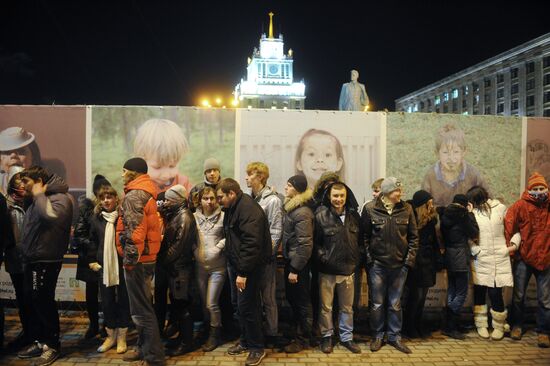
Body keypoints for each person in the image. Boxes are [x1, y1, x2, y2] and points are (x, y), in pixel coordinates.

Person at [16, 166, 73, 366]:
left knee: (43, 301)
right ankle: (41, 342)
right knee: (33, 300)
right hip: (33, 259)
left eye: (26, 182)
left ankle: (53, 345)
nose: (22, 185)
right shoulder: (36, 199)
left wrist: (39, 194)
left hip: (46, 260)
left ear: (39, 181)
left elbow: (50, 217)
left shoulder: (61, 199)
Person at [115, 157, 164, 365]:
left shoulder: (135, 196)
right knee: (144, 307)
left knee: (141, 311)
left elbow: (135, 233)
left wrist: (129, 261)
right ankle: (144, 349)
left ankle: (154, 358)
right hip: (145, 259)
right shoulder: (145, 192)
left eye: (124, 170)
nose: (122, 174)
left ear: (132, 173)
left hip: (138, 261)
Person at [217, 178, 271, 366]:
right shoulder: (234, 207)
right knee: (239, 306)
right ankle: (246, 341)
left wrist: (243, 273)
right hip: (237, 265)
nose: (218, 201)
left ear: (231, 193)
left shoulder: (247, 209)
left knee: (248, 307)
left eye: (220, 197)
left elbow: (251, 244)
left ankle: (257, 348)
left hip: (247, 269)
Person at [362, 177, 418, 354]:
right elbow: (364, 238)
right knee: (377, 304)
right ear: (386, 192)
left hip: (400, 266)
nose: (399, 194)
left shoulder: (407, 208)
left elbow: (414, 238)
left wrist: (408, 262)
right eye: (396, 191)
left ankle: (395, 337)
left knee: (395, 304)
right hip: (377, 265)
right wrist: (370, 261)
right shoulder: (370, 209)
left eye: (400, 190)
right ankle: (377, 336)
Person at [315, 182, 362, 354]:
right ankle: (327, 336)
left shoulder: (354, 216)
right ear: (329, 196)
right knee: (326, 307)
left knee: (347, 307)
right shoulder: (320, 215)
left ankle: (346, 337)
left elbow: (360, 241)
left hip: (348, 270)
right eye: (335, 196)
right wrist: (323, 258)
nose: (339, 199)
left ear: (346, 196)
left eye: (342, 196)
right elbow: (315, 242)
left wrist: (356, 258)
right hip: (327, 271)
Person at [504, 172, 550, 348]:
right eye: (535, 189)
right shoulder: (520, 206)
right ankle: (516, 325)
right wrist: (511, 251)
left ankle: (544, 332)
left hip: (545, 257)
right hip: (524, 257)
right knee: (519, 296)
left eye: (542, 188)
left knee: (545, 299)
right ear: (529, 190)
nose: (539, 191)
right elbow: (509, 226)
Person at [156, 185, 198, 357]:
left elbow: (178, 247)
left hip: (180, 270)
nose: (165, 202)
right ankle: (182, 337)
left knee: (182, 306)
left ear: (177, 200)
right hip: (176, 269)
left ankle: (187, 342)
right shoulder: (177, 214)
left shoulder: (185, 218)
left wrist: (163, 260)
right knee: (178, 305)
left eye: (168, 200)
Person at [466, 185, 513, 341]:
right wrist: (475, 249)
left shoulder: (500, 209)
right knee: (479, 291)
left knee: (495, 292)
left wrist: (510, 247)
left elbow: (512, 229)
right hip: (481, 257)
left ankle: (499, 325)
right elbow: (465, 234)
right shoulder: (472, 212)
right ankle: (481, 324)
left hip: (499, 257)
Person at [89, 184, 131, 354]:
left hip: (121, 264)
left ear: (116, 198)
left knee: (123, 300)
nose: (106, 201)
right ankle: (110, 336)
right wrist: (92, 260)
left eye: (109, 197)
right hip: (103, 265)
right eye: (103, 198)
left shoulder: (123, 216)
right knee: (106, 302)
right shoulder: (96, 219)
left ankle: (122, 337)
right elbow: (92, 241)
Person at [245, 162, 283, 346]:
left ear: (260, 177)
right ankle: (256, 333)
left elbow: (276, 230)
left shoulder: (272, 201)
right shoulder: (249, 199)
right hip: (251, 258)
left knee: (268, 298)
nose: (246, 178)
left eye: (249, 175)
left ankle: (272, 333)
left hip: (265, 260)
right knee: (253, 299)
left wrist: (268, 255)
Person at [73, 174, 111, 340]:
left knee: (107, 293)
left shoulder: (110, 208)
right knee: (91, 293)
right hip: (89, 258)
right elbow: (79, 233)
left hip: (105, 257)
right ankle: (94, 324)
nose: (104, 197)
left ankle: (106, 325)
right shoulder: (86, 208)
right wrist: (94, 247)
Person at [281, 175, 314, 353]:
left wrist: (295, 268)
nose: (285, 188)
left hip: (298, 266)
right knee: (294, 300)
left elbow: (305, 244)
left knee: (301, 302)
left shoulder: (302, 212)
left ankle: (303, 339)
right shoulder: (294, 208)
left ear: (297, 189)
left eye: (289, 185)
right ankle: (296, 335)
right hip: (293, 262)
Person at [402, 190, 441, 339]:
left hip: (427, 262)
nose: (431, 205)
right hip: (416, 263)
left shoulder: (430, 220)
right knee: (414, 297)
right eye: (428, 203)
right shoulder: (411, 219)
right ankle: (409, 326)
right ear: (421, 205)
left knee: (422, 297)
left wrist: (438, 259)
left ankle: (417, 325)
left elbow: (434, 243)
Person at [440, 193, 479, 340]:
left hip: (449, 255)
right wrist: (469, 214)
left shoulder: (445, 215)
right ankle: (450, 324)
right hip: (461, 255)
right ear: (465, 204)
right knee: (461, 292)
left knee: (452, 289)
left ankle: (450, 325)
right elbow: (474, 232)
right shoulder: (463, 216)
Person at [421, 124, 488, 208]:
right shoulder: (431, 176)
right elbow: (423, 206)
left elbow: (488, 200)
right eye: (445, 152)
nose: (451, 159)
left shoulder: (473, 174)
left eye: (456, 152)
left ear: (464, 152)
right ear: (437, 153)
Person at [194, 186, 226, 352]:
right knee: (203, 303)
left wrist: (218, 247)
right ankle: (208, 330)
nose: (209, 201)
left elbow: (230, 236)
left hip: (217, 268)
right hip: (200, 268)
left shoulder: (223, 216)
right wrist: (194, 251)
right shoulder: (194, 218)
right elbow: (190, 239)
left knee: (211, 303)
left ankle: (215, 334)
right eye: (205, 198)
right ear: (200, 200)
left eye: (212, 198)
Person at [3, 169, 32, 351]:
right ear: (14, 188)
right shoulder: (5, 206)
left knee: (34, 299)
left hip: (31, 260)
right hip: (15, 260)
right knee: (22, 300)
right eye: (22, 187)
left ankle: (36, 333)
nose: (25, 189)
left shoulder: (31, 204)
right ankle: (27, 332)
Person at [134, 119, 192, 196]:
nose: (166, 175)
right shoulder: (136, 187)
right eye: (157, 167)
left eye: (172, 166)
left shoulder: (183, 183)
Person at [0, 126, 41, 196]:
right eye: (7, 152)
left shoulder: (43, 184)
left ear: (33, 156)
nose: (13, 156)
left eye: (21, 151)